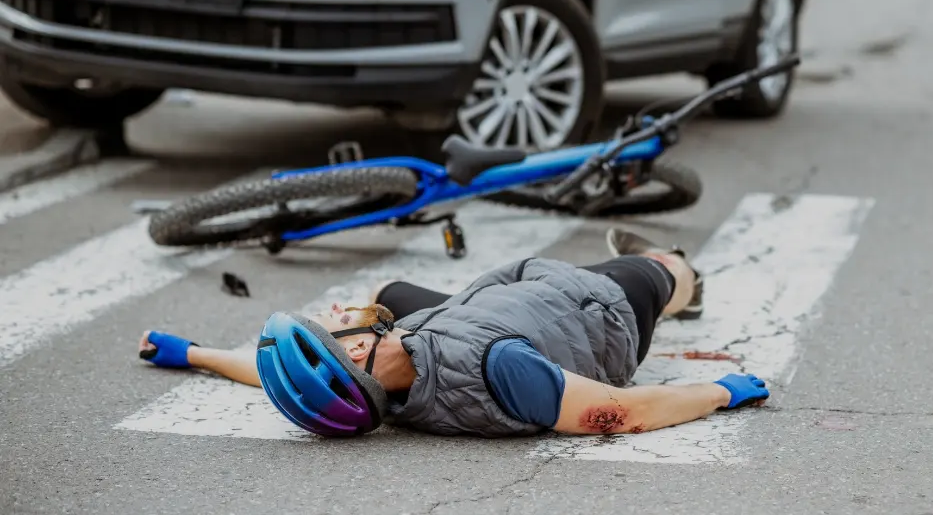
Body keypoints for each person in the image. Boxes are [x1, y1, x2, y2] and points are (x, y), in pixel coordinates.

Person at [138, 227, 771, 438]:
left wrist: (191, 352)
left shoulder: (381, 385)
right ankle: (682, 273)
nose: (331, 311)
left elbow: (282, 375)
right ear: (358, 349)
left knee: (386, 294)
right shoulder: (505, 371)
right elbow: (619, 412)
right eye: (329, 324)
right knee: (658, 274)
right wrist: (722, 390)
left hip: (473, 313)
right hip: (592, 311)